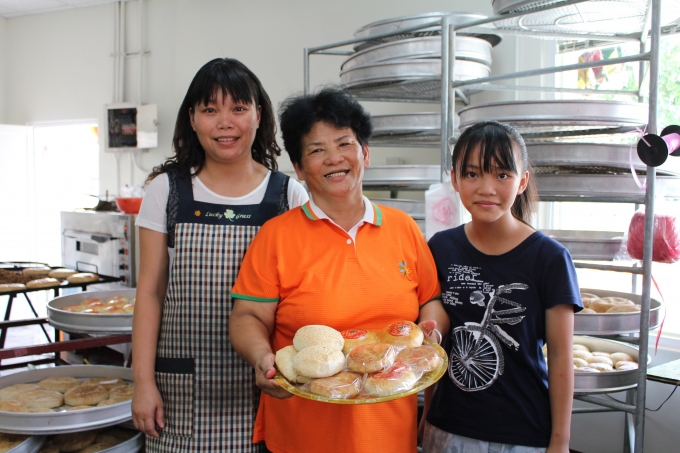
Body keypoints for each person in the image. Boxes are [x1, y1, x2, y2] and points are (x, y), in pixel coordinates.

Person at [228, 87, 450, 453]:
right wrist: (260, 356)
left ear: (364, 152)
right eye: (317, 150)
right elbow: (247, 315)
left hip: (389, 433)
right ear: (299, 168)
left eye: (344, 143)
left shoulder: (404, 228)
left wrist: (430, 331)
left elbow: (431, 302)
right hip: (302, 434)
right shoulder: (276, 236)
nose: (334, 159)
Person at [131, 57, 309, 453]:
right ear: (192, 119)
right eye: (210, 110)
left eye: (238, 109)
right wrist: (142, 382)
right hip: (180, 388)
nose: (225, 122)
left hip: (263, 382)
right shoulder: (167, 190)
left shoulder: (287, 195)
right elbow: (149, 293)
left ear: (258, 115)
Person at [422, 121, 582, 453]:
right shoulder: (440, 247)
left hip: (524, 434)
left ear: (522, 181)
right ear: (454, 179)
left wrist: (560, 442)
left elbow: (562, 357)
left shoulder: (550, 258)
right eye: (472, 174)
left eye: (502, 175)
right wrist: (428, 413)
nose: (486, 188)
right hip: (448, 428)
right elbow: (437, 348)